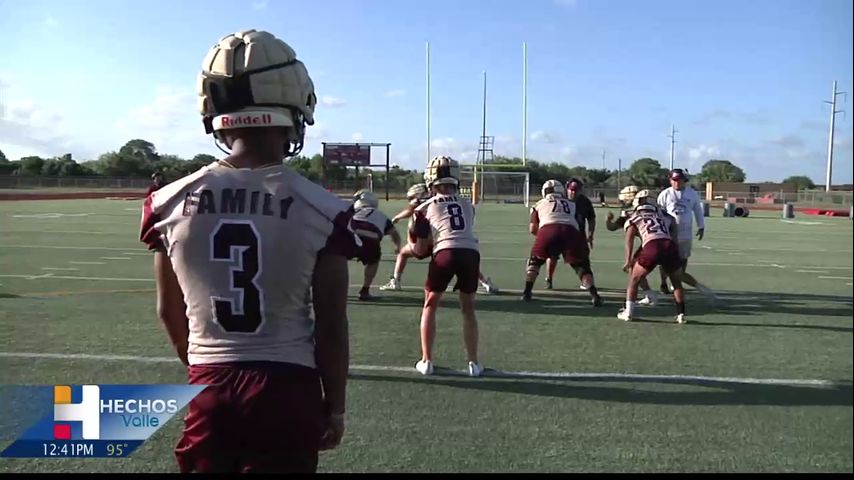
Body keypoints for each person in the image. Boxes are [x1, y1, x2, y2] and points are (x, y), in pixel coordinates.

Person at [139, 29, 357, 473]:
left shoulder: (166, 202)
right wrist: (334, 407)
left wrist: (204, 370)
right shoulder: (323, 208)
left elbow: (169, 310)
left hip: (209, 383)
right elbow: (331, 327)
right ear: (296, 104)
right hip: (287, 390)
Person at [409, 155, 484, 377]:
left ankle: (427, 361)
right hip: (471, 253)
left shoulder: (423, 208)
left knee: (430, 305)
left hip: (445, 252)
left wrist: (412, 246)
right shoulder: (468, 205)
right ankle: (473, 363)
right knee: (468, 309)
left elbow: (421, 250)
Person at [381, 183, 498, 295]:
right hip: (446, 241)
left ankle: (396, 281)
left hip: (428, 244)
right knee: (463, 263)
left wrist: (398, 220)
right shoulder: (438, 203)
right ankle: (484, 282)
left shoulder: (423, 207)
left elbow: (412, 213)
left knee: (403, 254)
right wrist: (398, 217)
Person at [522, 180, 603, 306]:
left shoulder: (538, 204)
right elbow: (578, 221)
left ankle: (527, 292)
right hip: (571, 232)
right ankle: (594, 295)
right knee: (581, 267)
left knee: (535, 262)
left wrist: (546, 239)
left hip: (547, 230)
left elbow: (532, 229)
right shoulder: (572, 203)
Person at [618, 201, 686, 323]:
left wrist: (628, 260)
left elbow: (629, 240)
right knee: (676, 283)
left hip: (652, 246)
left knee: (634, 279)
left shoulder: (634, 219)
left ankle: (628, 312)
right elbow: (672, 227)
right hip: (669, 245)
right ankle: (681, 314)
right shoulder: (661, 217)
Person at [656, 169, 717, 301]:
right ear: (670, 180)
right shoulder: (665, 194)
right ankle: (663, 282)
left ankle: (677, 282)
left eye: (679, 180)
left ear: (684, 180)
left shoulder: (692, 194)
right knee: (665, 260)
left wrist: (701, 226)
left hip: (686, 233)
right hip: (669, 233)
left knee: (683, 259)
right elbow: (659, 213)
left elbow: (697, 211)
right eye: (674, 180)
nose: (677, 183)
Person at [544, 178, 596, 290]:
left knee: (583, 259)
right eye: (571, 190)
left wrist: (590, 235)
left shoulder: (584, 202)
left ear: (580, 191)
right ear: (566, 189)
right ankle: (549, 278)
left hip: (577, 235)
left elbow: (591, 218)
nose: (573, 192)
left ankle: (586, 281)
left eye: (576, 190)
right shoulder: (559, 198)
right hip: (560, 232)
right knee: (552, 255)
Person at [351, 189, 402, 301]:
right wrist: (397, 246)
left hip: (349, 235)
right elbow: (394, 233)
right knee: (373, 261)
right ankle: (365, 290)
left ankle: (329, 289)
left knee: (336, 259)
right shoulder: (382, 216)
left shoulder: (350, 211)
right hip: (371, 238)